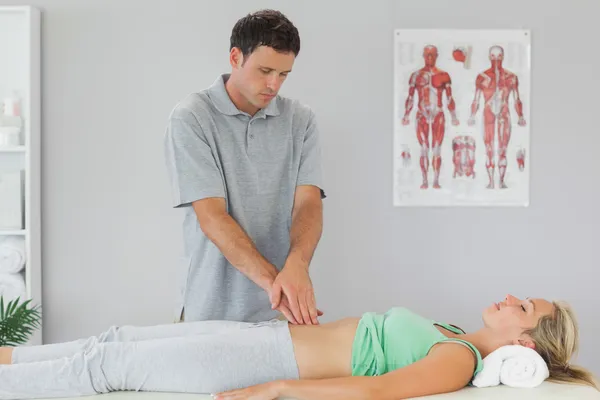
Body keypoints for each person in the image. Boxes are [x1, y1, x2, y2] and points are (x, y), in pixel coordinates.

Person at [0, 295, 597, 399]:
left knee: (112, 367)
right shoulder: (451, 332)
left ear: (524, 341)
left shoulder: (460, 359)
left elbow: (378, 390)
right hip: (267, 336)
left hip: (268, 360)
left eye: (527, 306)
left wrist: (283, 386)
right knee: (117, 342)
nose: (513, 295)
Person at [163, 9, 326, 326]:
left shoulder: (301, 120)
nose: (273, 84)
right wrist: (276, 286)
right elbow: (212, 216)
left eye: (283, 74)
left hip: (278, 314)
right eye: (265, 70)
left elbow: (308, 203)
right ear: (235, 57)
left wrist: (298, 264)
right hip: (209, 311)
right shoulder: (192, 117)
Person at [467, 45, 527, 189]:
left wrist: (520, 116)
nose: (496, 59)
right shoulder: (482, 77)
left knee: (502, 149)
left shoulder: (511, 77)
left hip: (504, 113)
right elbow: (476, 99)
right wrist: (472, 115)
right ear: (489, 57)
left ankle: (501, 181)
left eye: (499, 56)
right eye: (493, 56)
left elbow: (516, 99)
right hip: (488, 112)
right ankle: (490, 181)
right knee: (489, 149)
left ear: (503, 57)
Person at [402, 45, 459, 190]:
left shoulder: (444, 75)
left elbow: (449, 98)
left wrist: (453, 116)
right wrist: (406, 115)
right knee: (423, 147)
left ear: (437, 56)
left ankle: (436, 181)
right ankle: (424, 180)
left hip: (438, 115)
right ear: (423, 55)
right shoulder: (416, 75)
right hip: (421, 115)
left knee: (436, 149)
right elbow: (410, 97)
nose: (430, 58)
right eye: (427, 55)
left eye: (432, 55)